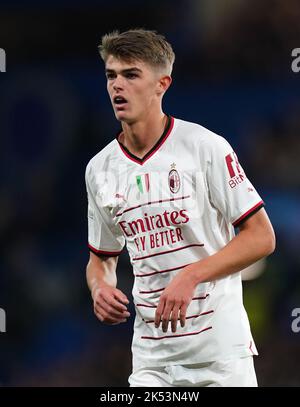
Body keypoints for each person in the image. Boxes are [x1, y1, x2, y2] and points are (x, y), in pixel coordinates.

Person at [85, 29, 275, 387]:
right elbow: (101, 260)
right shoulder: (99, 169)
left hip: (219, 357)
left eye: (131, 74)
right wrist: (99, 288)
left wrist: (191, 274)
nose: (117, 86)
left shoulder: (205, 147)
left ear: (162, 84)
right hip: (151, 363)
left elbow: (262, 238)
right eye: (111, 75)